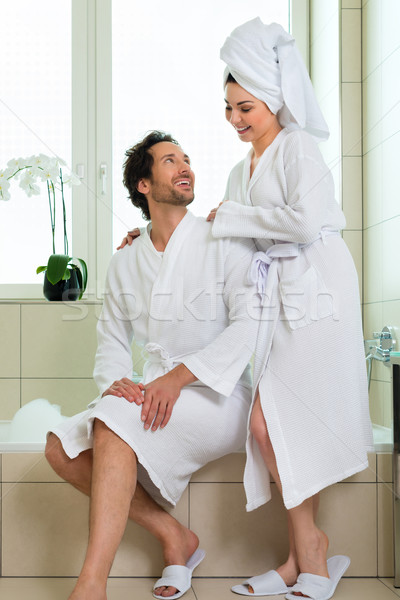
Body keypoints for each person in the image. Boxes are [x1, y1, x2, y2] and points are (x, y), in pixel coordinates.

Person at [45, 130, 261, 600]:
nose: (185, 167)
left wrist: (178, 378)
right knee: (60, 448)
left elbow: (250, 325)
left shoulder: (220, 238)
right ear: (144, 185)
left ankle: (91, 584)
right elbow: (111, 339)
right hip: (156, 389)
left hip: (217, 392)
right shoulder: (125, 260)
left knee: (112, 426)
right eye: (169, 161)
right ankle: (174, 535)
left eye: (186, 159)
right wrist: (115, 382)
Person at [205, 18, 373, 600]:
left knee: (282, 422)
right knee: (268, 425)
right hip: (273, 302)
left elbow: (304, 223)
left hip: (319, 297)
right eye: (227, 107)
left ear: (274, 96)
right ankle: (307, 553)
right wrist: (159, 235)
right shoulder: (237, 169)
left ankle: (305, 557)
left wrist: (232, 218)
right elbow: (233, 238)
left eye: (244, 106)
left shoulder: (298, 147)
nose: (235, 119)